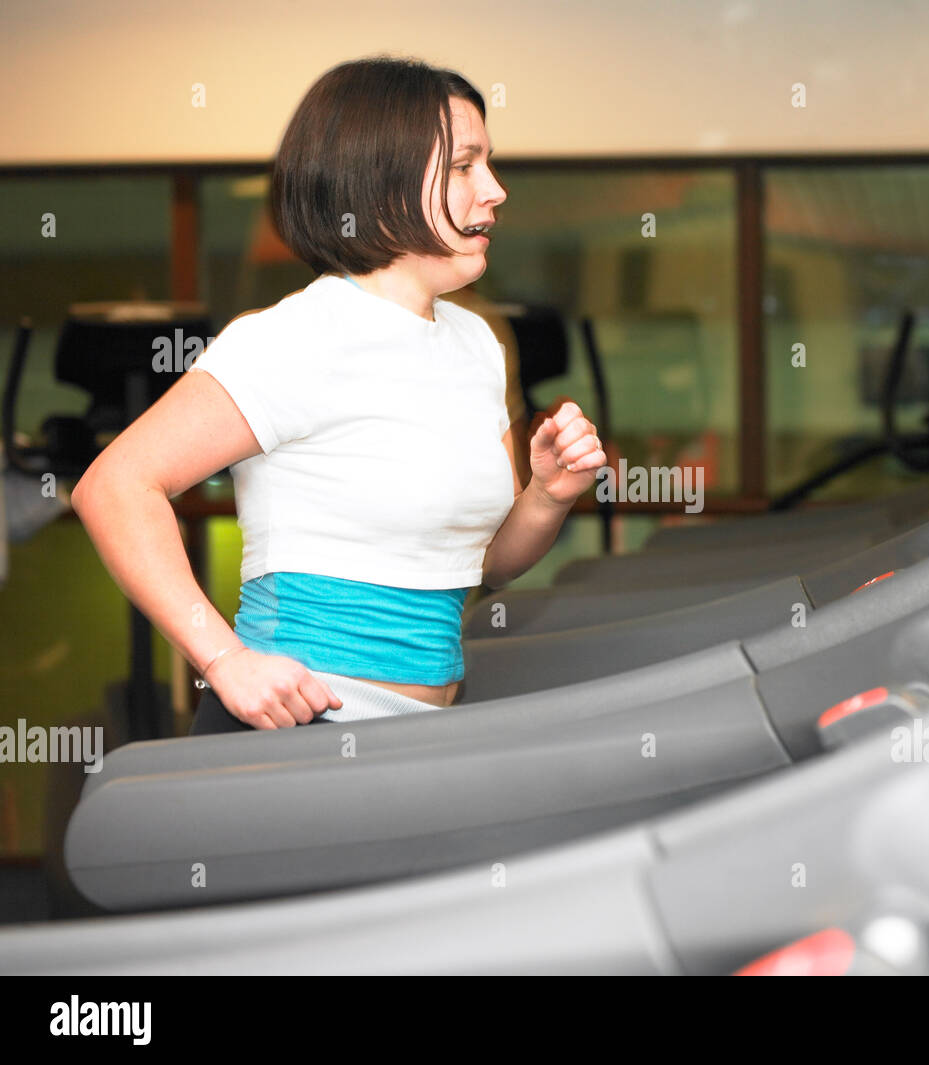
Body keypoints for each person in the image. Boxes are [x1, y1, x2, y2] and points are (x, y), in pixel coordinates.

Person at [68, 56, 606, 733]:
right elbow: (115, 486)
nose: (494, 190)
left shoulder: (475, 344)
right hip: (302, 727)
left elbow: (486, 563)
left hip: (421, 731)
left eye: (489, 164)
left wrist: (547, 494)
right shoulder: (300, 336)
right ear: (384, 188)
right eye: (465, 167)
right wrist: (224, 659)